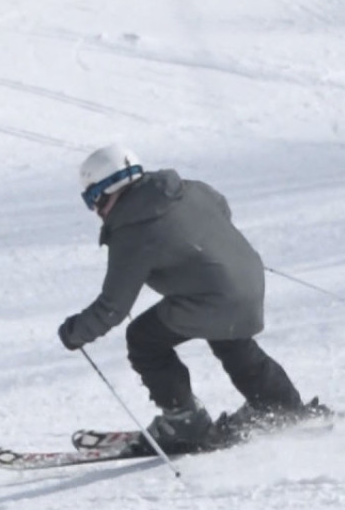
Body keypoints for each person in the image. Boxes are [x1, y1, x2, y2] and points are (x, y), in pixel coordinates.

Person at [57, 144, 328, 453]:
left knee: (144, 339)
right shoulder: (188, 189)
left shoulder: (132, 231)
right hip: (246, 279)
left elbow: (113, 308)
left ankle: (184, 423)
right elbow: (221, 206)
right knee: (231, 339)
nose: (95, 211)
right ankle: (280, 405)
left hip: (214, 295)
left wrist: (74, 332)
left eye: (92, 200)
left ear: (104, 192)